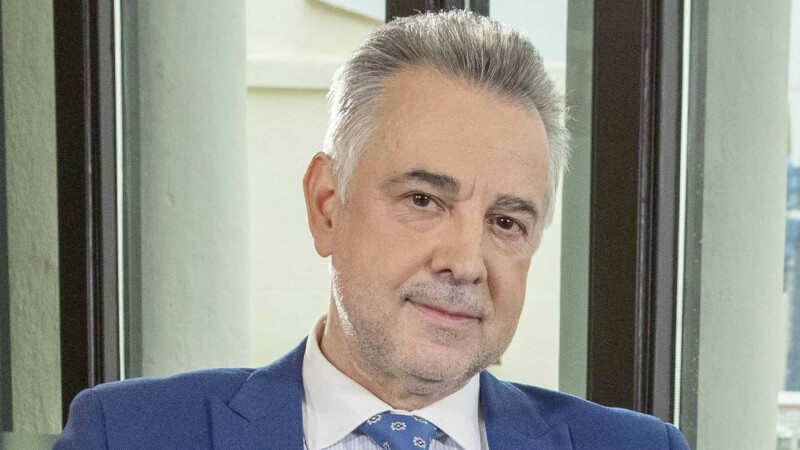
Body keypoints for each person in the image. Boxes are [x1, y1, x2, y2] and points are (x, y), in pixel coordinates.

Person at [54, 10, 689, 450]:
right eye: (424, 199)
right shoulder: (130, 434)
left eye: (505, 221)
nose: (466, 262)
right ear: (327, 206)